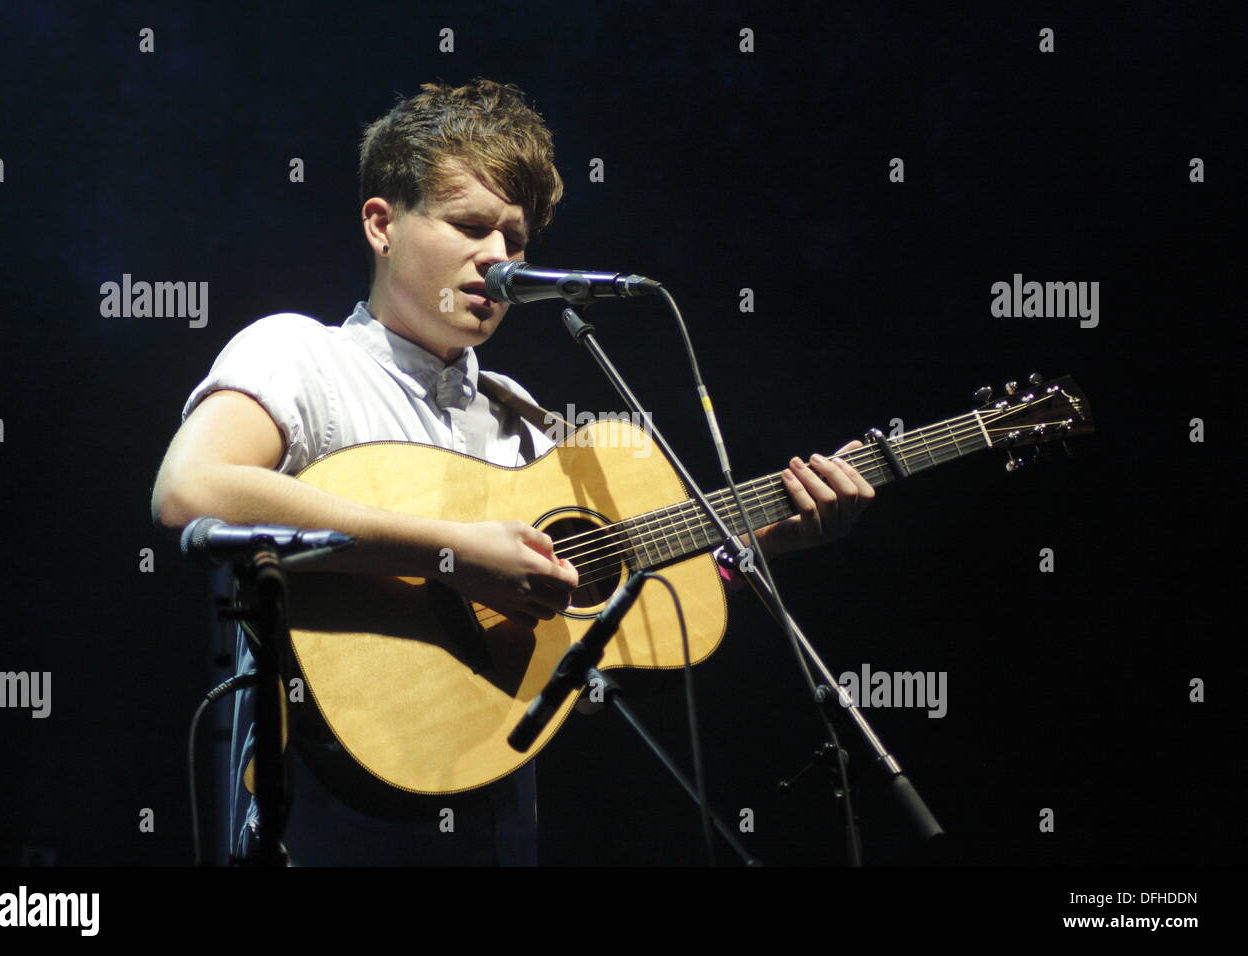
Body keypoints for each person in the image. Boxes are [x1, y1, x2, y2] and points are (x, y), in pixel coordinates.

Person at [150, 77, 875, 866]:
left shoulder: (519, 415)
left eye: (515, 240)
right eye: (468, 226)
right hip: (328, 828)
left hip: (501, 830)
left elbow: (586, 614)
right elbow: (191, 491)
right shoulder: (299, 355)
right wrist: (452, 552)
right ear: (382, 224)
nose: (496, 258)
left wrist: (763, 539)